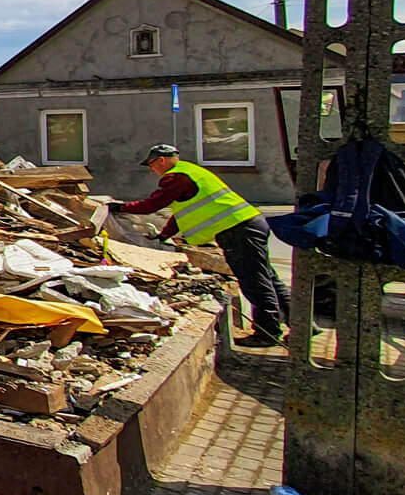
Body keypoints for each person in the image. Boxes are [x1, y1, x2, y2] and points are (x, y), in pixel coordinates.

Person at [110, 143, 290, 348]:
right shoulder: (191, 172)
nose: (152, 170)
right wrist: (164, 235)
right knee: (268, 277)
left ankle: (267, 333)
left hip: (237, 230)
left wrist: (120, 207)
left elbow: (153, 204)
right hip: (249, 224)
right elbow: (183, 212)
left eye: (151, 165)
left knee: (254, 282)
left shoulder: (175, 177)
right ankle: (303, 325)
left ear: (161, 160)